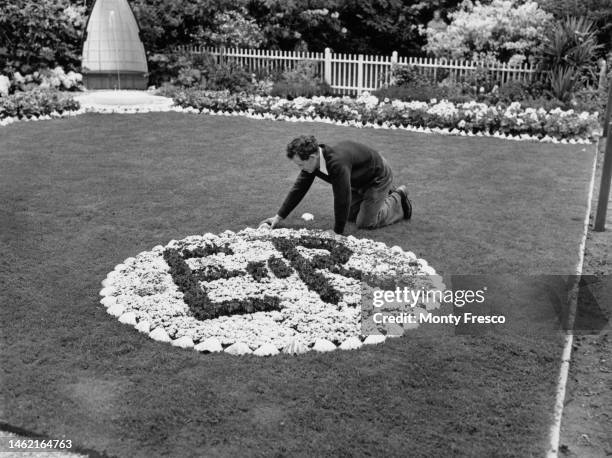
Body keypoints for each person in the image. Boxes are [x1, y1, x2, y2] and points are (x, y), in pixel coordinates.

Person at [259, 135, 411, 234]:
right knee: (350, 215)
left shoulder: (337, 164)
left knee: (365, 222)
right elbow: (299, 188)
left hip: (377, 177)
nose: (300, 169)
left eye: (300, 164)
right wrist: (278, 217)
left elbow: (342, 197)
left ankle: (398, 196)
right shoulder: (314, 162)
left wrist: (337, 232)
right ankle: (382, 196)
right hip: (358, 178)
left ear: (312, 157)